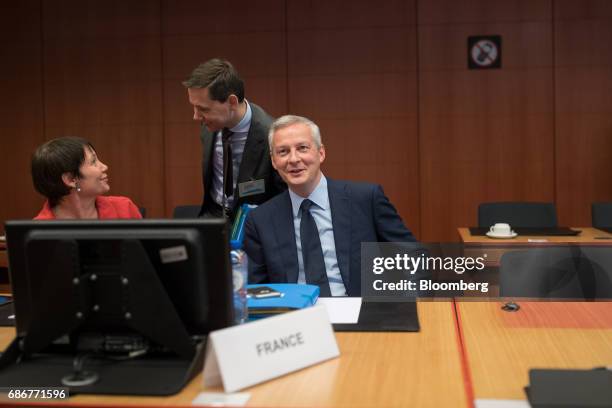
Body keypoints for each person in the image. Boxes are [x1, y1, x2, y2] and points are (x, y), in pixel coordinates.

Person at [243, 115, 417, 296]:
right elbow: (255, 290)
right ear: (273, 161)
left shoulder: (366, 199)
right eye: (283, 152)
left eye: (302, 148)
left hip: (363, 315)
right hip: (295, 317)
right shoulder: (260, 220)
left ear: (321, 153)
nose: (293, 159)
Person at [183, 58, 284, 220]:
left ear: (232, 102)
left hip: (254, 224)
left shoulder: (273, 136)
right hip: (213, 217)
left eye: (203, 109)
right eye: (194, 107)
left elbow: (283, 199)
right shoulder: (209, 126)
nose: (196, 116)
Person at [31, 137, 142, 220]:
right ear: (70, 179)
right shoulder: (37, 231)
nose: (104, 167)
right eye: (93, 161)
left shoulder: (124, 209)